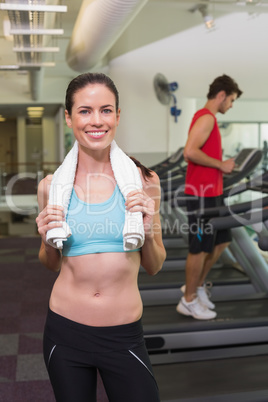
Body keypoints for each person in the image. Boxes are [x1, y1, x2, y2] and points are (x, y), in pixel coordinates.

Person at [36, 72, 166, 402]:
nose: (97, 121)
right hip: (64, 332)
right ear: (68, 117)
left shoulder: (144, 181)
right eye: (85, 110)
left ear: (118, 116)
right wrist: (45, 238)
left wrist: (148, 226)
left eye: (106, 110)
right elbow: (51, 264)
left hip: (122, 335)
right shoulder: (52, 187)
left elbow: (154, 265)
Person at [176, 74, 243, 320]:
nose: (231, 105)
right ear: (222, 95)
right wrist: (221, 165)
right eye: (232, 100)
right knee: (199, 248)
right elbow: (189, 152)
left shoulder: (208, 119)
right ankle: (188, 300)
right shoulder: (206, 118)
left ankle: (196, 286)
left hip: (213, 193)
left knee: (222, 240)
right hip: (201, 195)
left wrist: (222, 167)